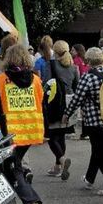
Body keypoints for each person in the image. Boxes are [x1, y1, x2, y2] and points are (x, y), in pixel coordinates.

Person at [0, 43, 45, 204]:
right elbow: (41, 103)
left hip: (7, 133)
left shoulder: (1, 80)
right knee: (11, 166)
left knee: (8, 169)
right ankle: (21, 188)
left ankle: (29, 200)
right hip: (30, 132)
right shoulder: (35, 80)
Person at [62, 47, 103, 196]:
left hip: (95, 119)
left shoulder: (89, 76)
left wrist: (67, 114)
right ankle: (89, 179)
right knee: (99, 150)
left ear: (88, 60)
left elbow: (78, 97)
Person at [43, 40, 78, 179]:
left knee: (51, 135)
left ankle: (62, 160)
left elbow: (46, 83)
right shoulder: (74, 67)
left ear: (55, 51)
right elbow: (76, 85)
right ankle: (57, 166)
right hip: (69, 102)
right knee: (62, 135)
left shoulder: (51, 65)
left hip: (54, 102)